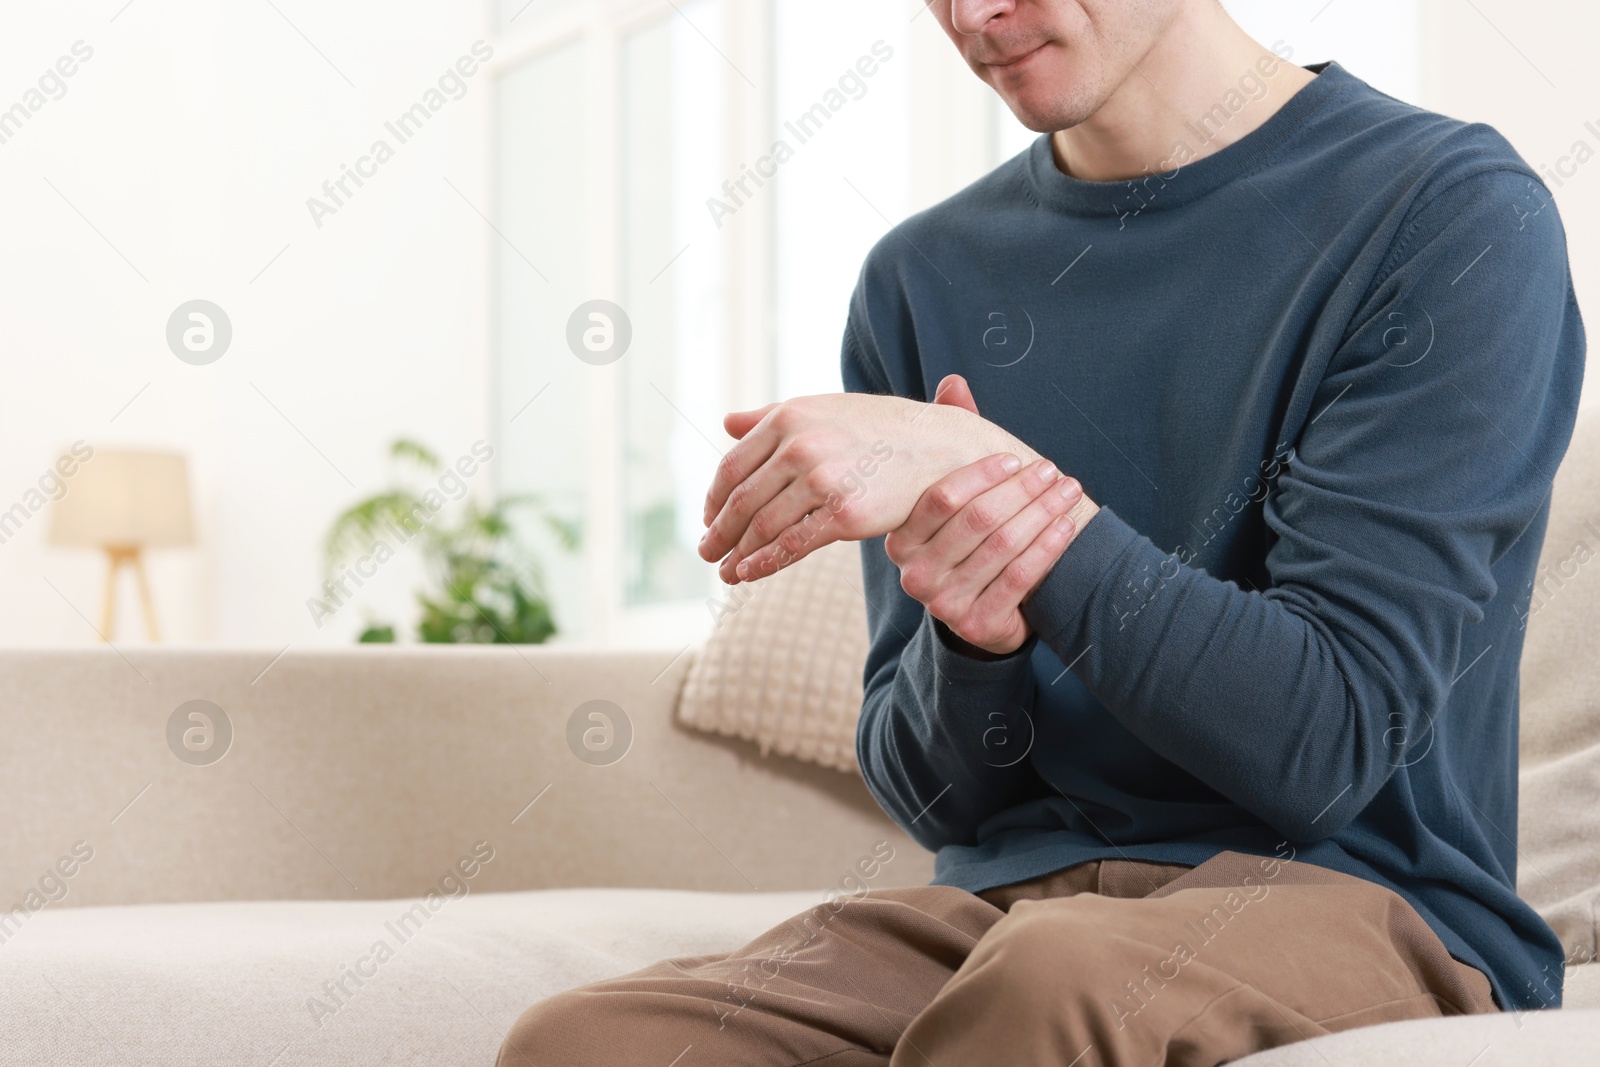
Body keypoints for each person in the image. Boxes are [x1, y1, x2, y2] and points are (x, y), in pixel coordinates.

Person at [499, 0, 1584, 1062]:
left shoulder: (1445, 214)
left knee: (1054, 985)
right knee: (590, 1040)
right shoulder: (918, 279)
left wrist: (1018, 504)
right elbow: (936, 804)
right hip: (1013, 906)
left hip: (1361, 900)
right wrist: (977, 650)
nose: (972, 13)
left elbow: (1325, 745)